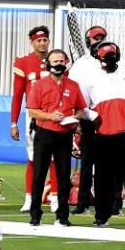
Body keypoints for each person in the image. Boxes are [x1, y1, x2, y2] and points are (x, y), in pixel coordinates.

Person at [81, 42, 125, 228]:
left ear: (117, 56)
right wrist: (93, 115)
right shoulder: (90, 78)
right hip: (103, 133)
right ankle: (102, 216)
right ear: (99, 59)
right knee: (103, 176)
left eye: (112, 57)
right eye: (105, 58)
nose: (108, 61)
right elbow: (81, 104)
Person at [26, 49, 87, 227]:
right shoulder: (39, 85)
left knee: (63, 175)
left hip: (64, 134)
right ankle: (35, 214)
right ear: (48, 64)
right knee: (39, 174)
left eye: (62, 60)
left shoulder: (73, 85)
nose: (59, 64)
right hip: (44, 133)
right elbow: (31, 110)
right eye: (55, 61)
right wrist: (50, 116)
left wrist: (74, 118)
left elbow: (81, 109)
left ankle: (62, 216)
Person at [11, 26, 53, 213]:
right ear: (32, 42)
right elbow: (18, 94)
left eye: (45, 40)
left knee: (54, 157)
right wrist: (13, 122)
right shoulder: (23, 62)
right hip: (34, 114)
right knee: (33, 157)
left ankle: (55, 198)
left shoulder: (57, 59)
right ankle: (29, 197)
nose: (42, 43)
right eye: (38, 40)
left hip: (55, 115)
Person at [70, 26, 109, 215]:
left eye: (101, 37)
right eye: (95, 38)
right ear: (88, 41)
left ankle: (110, 203)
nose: (98, 41)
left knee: (109, 163)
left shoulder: (114, 59)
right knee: (86, 162)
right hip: (87, 116)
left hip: (109, 117)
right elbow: (73, 91)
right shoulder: (80, 64)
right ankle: (82, 202)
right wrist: (76, 120)